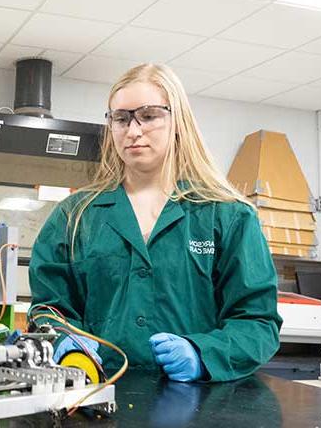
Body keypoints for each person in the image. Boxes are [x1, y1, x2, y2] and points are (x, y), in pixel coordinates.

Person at [29, 63, 281, 382]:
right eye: (121, 118)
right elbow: (49, 310)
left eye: (148, 116)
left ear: (178, 121)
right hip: (96, 393)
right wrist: (66, 341)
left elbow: (257, 322)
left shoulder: (228, 214)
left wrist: (203, 354)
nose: (133, 131)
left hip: (200, 406)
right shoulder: (74, 216)